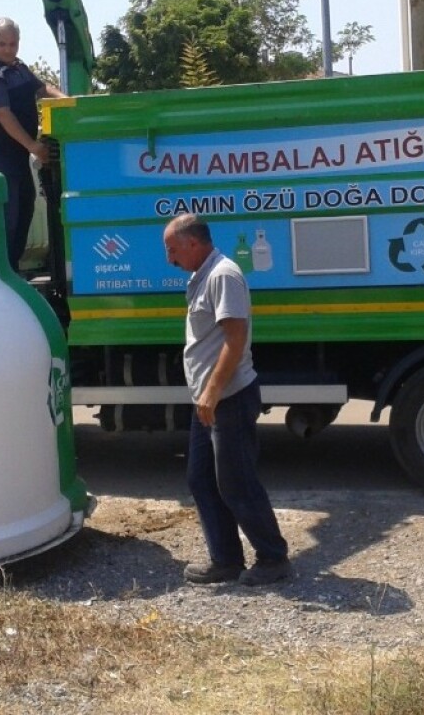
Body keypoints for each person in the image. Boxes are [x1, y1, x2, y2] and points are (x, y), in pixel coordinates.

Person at [162, 213, 291, 586]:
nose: (170, 258)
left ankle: (273, 558)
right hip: (209, 399)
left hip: (227, 398)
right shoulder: (202, 275)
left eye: (172, 249)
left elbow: (235, 341)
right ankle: (226, 560)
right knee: (201, 478)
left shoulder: (223, 275)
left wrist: (213, 392)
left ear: (193, 243)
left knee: (237, 482)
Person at [0, 17, 66, 269]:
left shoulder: (18, 67)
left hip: (18, 155)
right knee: (7, 218)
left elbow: (42, 88)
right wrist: (34, 147)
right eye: (2, 44)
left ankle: (12, 268)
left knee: (25, 209)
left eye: (12, 44)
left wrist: (67, 101)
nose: (7, 49)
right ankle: (1, 272)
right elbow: (4, 115)